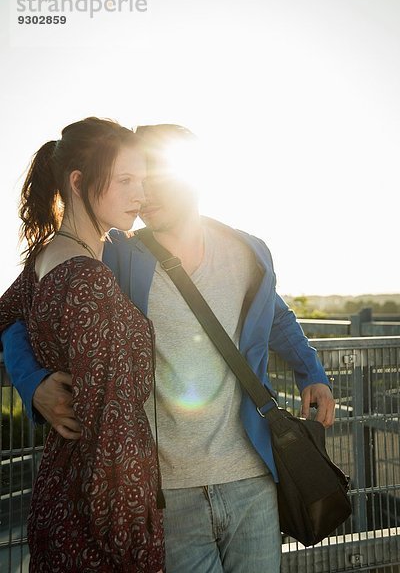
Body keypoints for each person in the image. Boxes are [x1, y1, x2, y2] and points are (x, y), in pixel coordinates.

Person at [2, 124, 335, 573]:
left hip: (252, 477)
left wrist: (311, 372)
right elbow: (19, 310)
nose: (144, 196)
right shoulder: (115, 255)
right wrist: (34, 382)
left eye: (155, 180)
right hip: (164, 489)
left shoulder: (247, 251)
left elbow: (277, 317)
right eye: (135, 181)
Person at [0, 117, 165, 573]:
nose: (141, 195)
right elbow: (111, 432)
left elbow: (4, 314)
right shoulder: (88, 280)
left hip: (59, 499)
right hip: (99, 531)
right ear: (78, 182)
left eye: (144, 180)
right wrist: (135, 546)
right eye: (126, 180)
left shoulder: (47, 258)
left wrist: (32, 381)